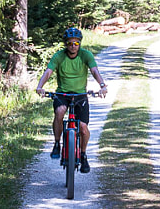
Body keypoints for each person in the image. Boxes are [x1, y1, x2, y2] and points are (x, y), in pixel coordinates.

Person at [35, 27, 108, 173]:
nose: (73, 46)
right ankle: (57, 144)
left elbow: (94, 71)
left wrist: (102, 85)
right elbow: (48, 71)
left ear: (79, 43)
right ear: (65, 44)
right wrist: (40, 86)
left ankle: (83, 154)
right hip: (63, 95)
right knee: (60, 112)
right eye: (70, 43)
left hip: (80, 96)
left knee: (82, 127)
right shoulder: (59, 56)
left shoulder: (85, 55)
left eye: (76, 43)